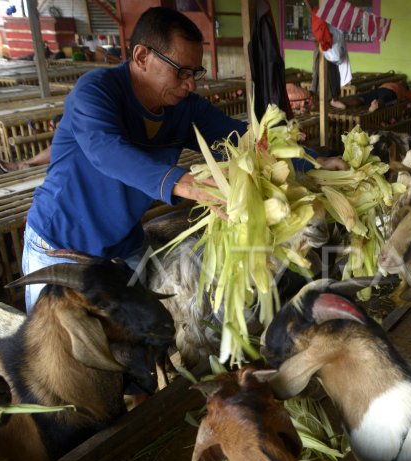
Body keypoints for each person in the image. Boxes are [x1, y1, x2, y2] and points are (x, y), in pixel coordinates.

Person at [22, 7, 342, 312]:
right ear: (142, 57)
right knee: (58, 359)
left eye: (195, 72)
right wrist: (183, 182)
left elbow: (243, 139)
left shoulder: (184, 107)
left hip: (123, 247)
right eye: (181, 72)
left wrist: (314, 162)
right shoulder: (96, 93)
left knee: (139, 344)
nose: (190, 84)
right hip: (61, 246)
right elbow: (107, 151)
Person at [330, 80, 411, 113]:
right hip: (389, 92)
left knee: (362, 99)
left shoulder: (398, 86)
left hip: (380, 90)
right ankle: (375, 105)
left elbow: (377, 86)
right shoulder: (403, 90)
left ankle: (344, 104)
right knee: (383, 98)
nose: (401, 82)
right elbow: (410, 97)